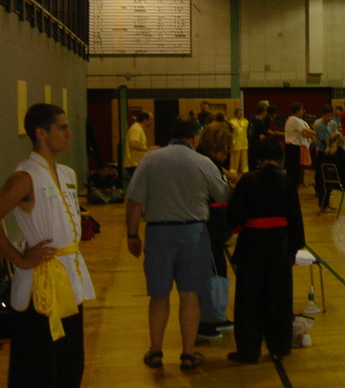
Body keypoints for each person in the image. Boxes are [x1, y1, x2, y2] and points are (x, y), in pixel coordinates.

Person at [0, 103, 101, 388]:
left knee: (71, 362)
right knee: (37, 373)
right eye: (62, 128)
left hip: (70, 279)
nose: (69, 134)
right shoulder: (24, 177)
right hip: (40, 289)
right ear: (41, 133)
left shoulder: (67, 173)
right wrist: (19, 259)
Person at [126, 117, 229, 372]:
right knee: (190, 295)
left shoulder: (150, 160)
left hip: (158, 234)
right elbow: (223, 195)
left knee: (159, 295)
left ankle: (156, 351)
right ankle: (188, 353)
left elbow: (134, 201)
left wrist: (132, 234)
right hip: (193, 234)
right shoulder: (202, 161)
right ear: (194, 138)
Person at [226, 140, 305, 363]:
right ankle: (280, 346)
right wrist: (293, 246)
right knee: (279, 298)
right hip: (279, 244)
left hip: (252, 244)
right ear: (279, 159)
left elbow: (234, 214)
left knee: (249, 299)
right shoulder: (287, 181)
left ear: (257, 159)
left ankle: (248, 351)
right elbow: (295, 218)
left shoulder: (248, 181)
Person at [195, 121, 236, 339]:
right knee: (210, 274)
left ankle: (217, 315)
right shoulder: (206, 163)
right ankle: (206, 321)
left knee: (219, 272)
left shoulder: (212, 163)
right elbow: (220, 192)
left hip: (216, 227)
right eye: (225, 148)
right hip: (207, 225)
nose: (228, 152)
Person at [284, 102, 315, 187]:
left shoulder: (290, 119)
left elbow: (303, 132)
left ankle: (292, 184)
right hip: (293, 146)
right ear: (297, 110)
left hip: (290, 146)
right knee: (294, 168)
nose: (303, 111)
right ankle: (293, 185)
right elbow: (305, 130)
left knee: (292, 168)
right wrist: (317, 133)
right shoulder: (295, 120)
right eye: (301, 110)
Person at [314, 105, 336, 207]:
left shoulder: (327, 125)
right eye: (327, 116)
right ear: (322, 115)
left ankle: (326, 204)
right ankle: (323, 205)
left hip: (327, 154)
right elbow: (328, 142)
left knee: (328, 180)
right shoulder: (321, 126)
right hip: (323, 154)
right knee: (323, 180)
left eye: (331, 116)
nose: (330, 118)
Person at [123, 111, 156, 179]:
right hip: (134, 164)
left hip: (136, 163)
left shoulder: (137, 128)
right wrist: (147, 150)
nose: (152, 121)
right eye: (151, 119)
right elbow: (133, 144)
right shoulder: (137, 129)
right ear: (145, 119)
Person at [247, 104, 268, 172]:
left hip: (250, 147)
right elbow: (261, 137)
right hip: (257, 148)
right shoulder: (260, 123)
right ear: (262, 113)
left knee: (251, 167)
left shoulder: (251, 121)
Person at [229, 108, 249, 175]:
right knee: (235, 157)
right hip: (236, 141)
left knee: (244, 157)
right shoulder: (232, 121)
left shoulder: (245, 121)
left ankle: (244, 169)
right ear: (235, 114)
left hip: (243, 141)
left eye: (241, 113)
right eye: (239, 113)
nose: (240, 114)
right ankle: (234, 169)